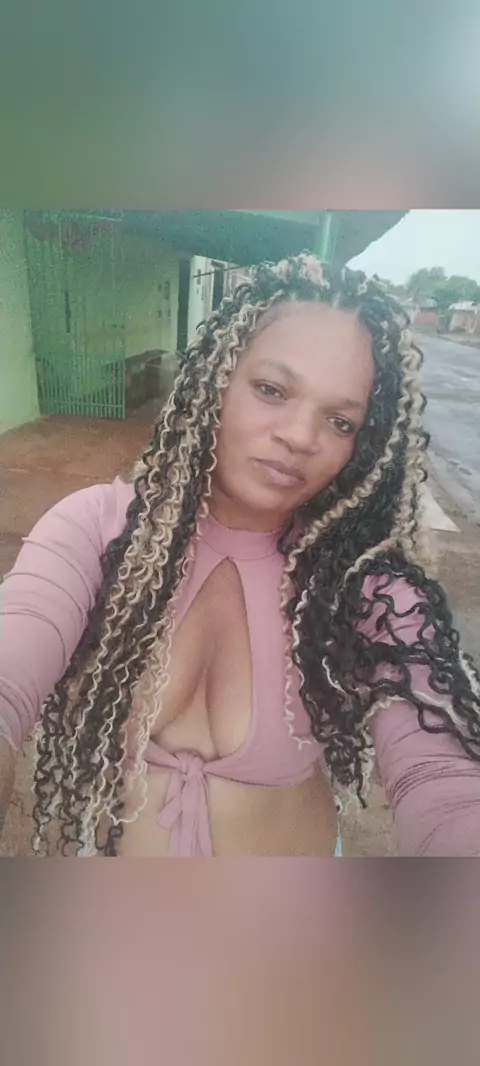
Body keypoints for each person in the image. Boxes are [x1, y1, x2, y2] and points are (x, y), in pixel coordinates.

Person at [1, 253, 480, 858]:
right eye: (271, 390)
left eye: (340, 421)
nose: (300, 436)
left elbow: (443, 778)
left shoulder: (364, 586)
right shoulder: (99, 530)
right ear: (217, 381)